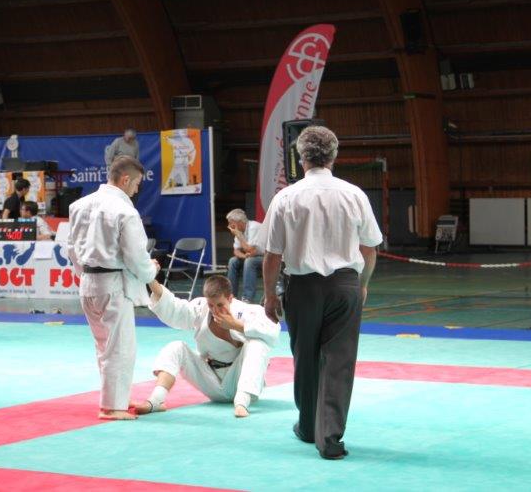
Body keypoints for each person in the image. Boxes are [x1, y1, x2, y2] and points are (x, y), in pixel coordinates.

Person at [262, 126, 383, 460]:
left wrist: (270, 295)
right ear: (333, 156)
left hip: (302, 288)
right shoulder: (354, 194)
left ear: (301, 158)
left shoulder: (286, 197)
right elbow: (370, 249)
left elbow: (272, 255)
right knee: (338, 362)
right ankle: (329, 438)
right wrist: (362, 284)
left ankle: (307, 425)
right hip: (345, 284)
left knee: (305, 357)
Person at [67, 155, 160, 420]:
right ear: (125, 179)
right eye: (137, 183)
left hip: (88, 283)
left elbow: (71, 249)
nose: (137, 190)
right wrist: (151, 270)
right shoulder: (125, 211)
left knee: (104, 347)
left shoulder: (78, 206)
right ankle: (112, 407)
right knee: (119, 348)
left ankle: (116, 398)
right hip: (113, 285)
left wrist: (85, 273)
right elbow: (136, 256)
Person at [134, 275, 279, 418]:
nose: (215, 310)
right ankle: (156, 400)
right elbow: (174, 308)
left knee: (257, 344)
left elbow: (272, 330)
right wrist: (150, 278)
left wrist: (236, 325)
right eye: (211, 305)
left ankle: (241, 403)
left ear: (230, 298)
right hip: (211, 380)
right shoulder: (201, 308)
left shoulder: (247, 311)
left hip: (240, 380)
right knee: (176, 347)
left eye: (220, 305)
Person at [225, 208, 264, 303]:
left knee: (250, 262)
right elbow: (236, 251)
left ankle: (247, 298)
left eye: (231, 223)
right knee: (233, 261)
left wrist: (239, 235)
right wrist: (244, 256)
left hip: (267, 257)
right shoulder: (239, 230)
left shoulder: (254, 227)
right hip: (252, 256)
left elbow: (250, 249)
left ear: (239, 222)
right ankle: (231, 296)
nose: (229, 226)